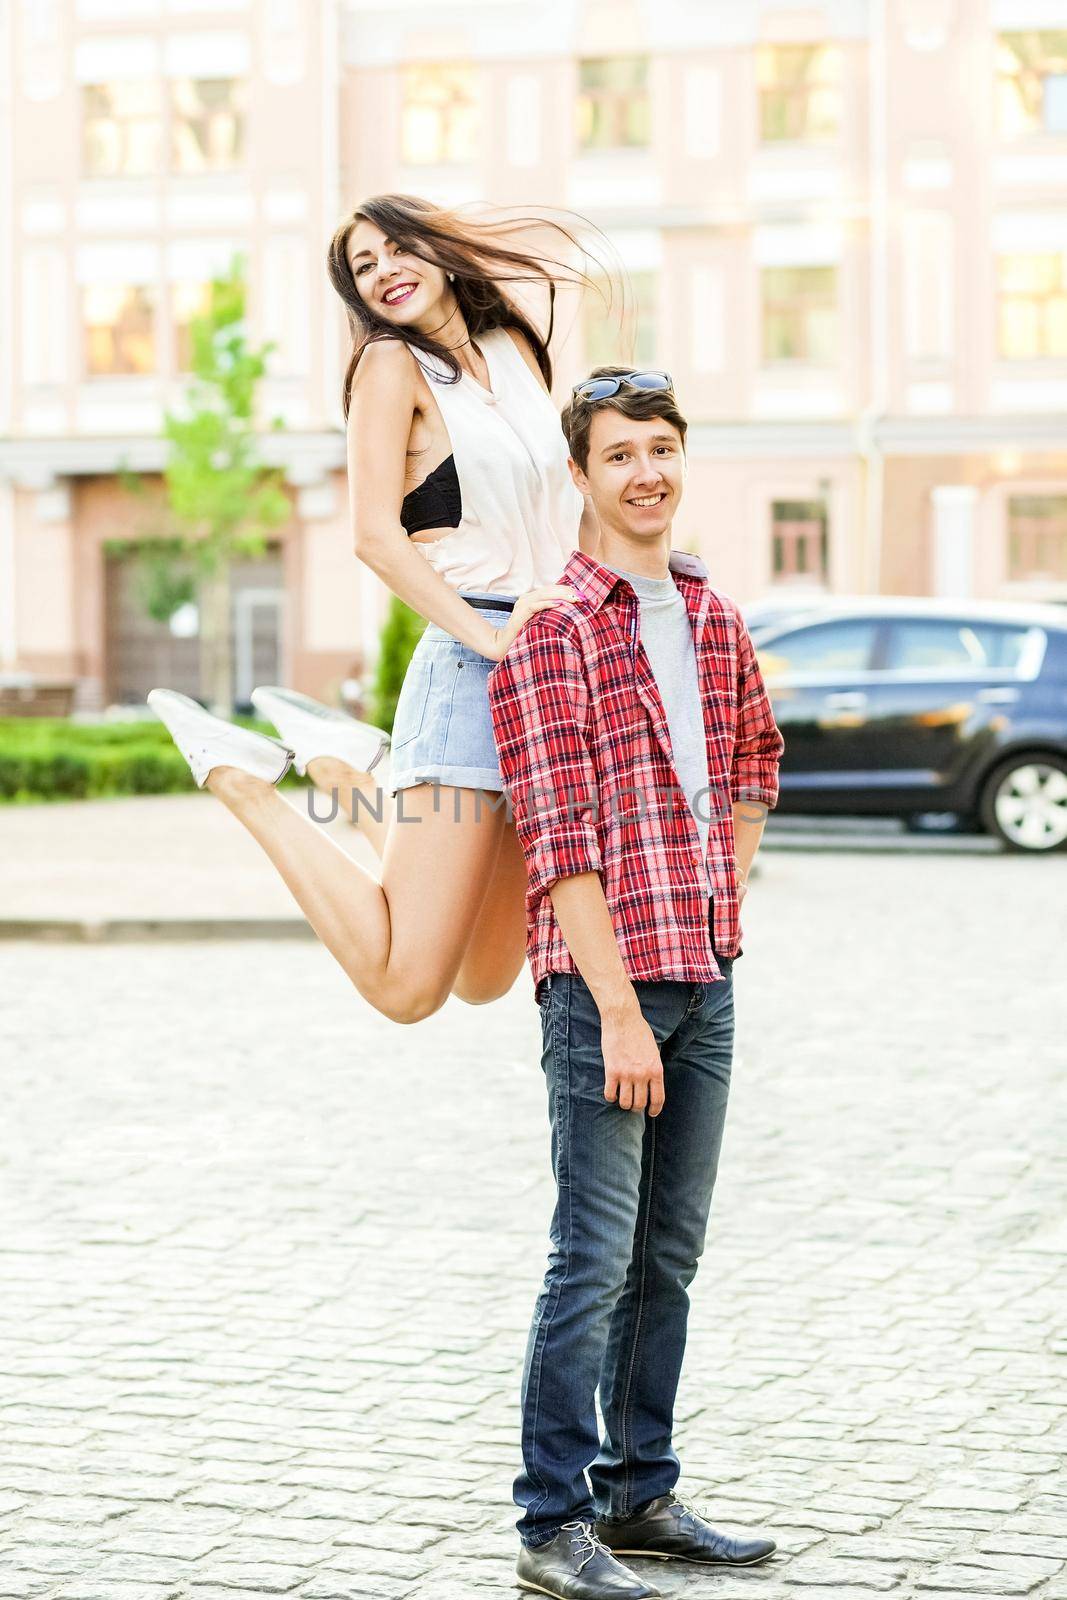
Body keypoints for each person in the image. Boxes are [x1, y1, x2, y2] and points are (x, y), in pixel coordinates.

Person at [147, 194, 600, 1023]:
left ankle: (344, 769)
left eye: (397, 249)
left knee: (484, 976)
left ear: (438, 250)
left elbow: (571, 503)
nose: (385, 271)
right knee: (407, 988)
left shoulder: (512, 350)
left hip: (546, 664)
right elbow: (374, 537)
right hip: (471, 667)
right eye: (363, 266)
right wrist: (491, 639)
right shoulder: (390, 365)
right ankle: (242, 779)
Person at [487, 368, 785, 1600]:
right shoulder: (551, 627)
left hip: (700, 975)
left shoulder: (710, 611)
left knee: (669, 1253)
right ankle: (552, 1520)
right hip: (600, 989)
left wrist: (726, 891)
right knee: (592, 1258)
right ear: (582, 476)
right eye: (620, 455)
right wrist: (614, 1006)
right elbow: (557, 838)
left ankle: (640, 1491)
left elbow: (757, 756)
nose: (646, 472)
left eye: (661, 449)